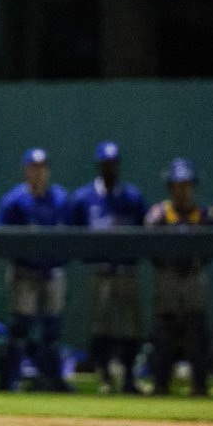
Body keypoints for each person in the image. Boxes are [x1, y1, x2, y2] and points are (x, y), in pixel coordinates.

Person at [68, 142, 147, 395]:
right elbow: (72, 233)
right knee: (100, 325)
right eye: (105, 164)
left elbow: (145, 233)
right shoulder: (84, 198)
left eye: (113, 164)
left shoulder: (132, 197)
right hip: (99, 271)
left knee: (130, 326)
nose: (109, 169)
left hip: (125, 270)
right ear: (99, 166)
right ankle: (104, 377)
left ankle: (129, 377)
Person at [0, 148, 72, 392]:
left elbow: (71, 236)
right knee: (21, 327)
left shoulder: (59, 198)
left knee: (52, 329)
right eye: (33, 168)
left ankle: (53, 378)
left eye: (42, 168)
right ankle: (10, 379)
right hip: (24, 273)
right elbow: (4, 239)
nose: (38, 173)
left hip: (52, 272)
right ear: (26, 170)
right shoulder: (15, 201)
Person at [144, 158, 213, 396]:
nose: (182, 191)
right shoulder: (159, 214)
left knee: (196, 331)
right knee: (164, 331)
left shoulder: (203, 215)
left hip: (193, 277)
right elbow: (151, 250)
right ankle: (161, 384)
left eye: (186, 185)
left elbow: (209, 252)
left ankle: (199, 385)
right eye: (177, 186)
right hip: (168, 277)